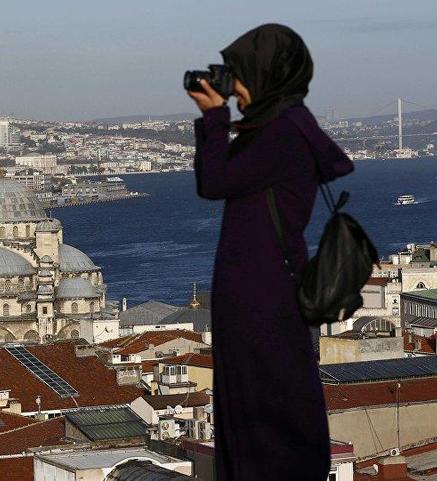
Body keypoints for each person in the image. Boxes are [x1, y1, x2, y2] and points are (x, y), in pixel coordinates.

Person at [187, 24, 354, 481]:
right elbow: (220, 179)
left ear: (267, 74)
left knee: (263, 398)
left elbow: (215, 182)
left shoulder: (283, 132)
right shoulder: (280, 127)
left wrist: (214, 116)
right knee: (261, 394)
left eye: (241, 74)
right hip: (264, 286)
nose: (234, 85)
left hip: (263, 292)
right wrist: (219, 118)